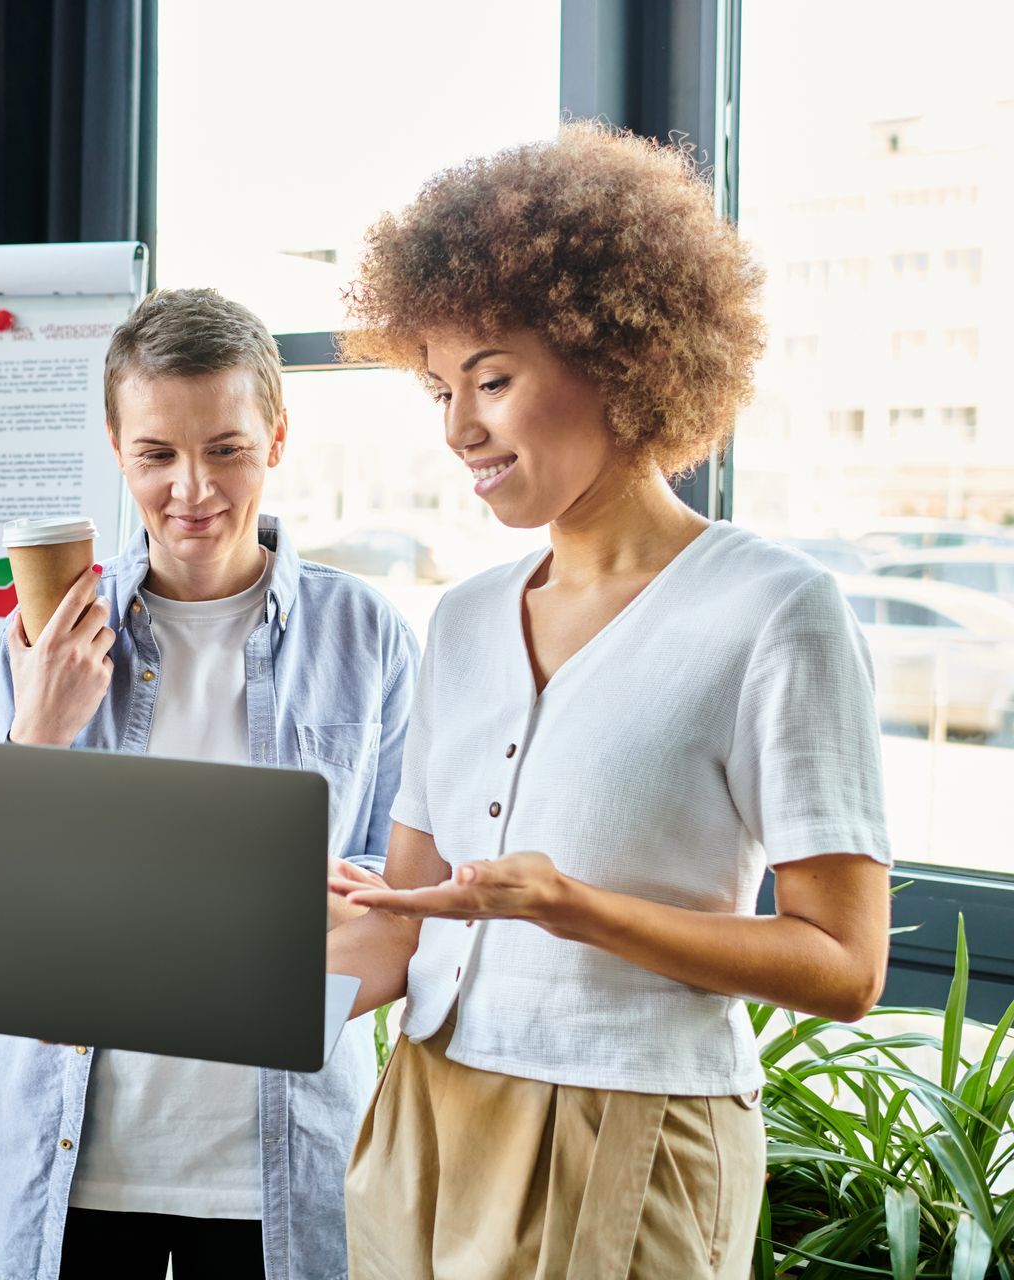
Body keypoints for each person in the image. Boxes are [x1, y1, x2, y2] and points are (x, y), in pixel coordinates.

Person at [325, 122, 893, 1278]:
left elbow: (845, 963)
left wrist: (573, 905)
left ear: (619, 353)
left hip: (631, 1118)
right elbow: (408, 921)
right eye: (439, 388)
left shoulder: (775, 611)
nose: (459, 429)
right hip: (427, 1107)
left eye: (492, 379)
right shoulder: (467, 617)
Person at [0, 288, 418, 1280]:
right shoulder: (45, 640)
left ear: (278, 436)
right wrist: (41, 725)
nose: (191, 487)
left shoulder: (367, 634)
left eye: (226, 447)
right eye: (157, 454)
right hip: (71, 1164)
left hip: (281, 1171)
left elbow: (401, 889)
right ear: (116, 446)